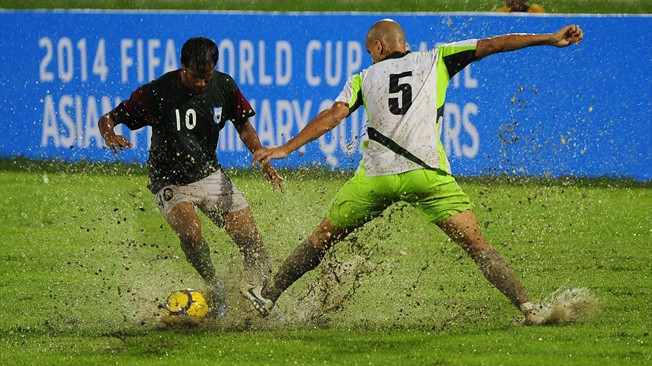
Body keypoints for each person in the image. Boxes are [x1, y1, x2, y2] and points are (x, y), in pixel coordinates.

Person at [252, 20, 583, 324]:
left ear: (379, 48)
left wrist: (286, 148)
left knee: (319, 239)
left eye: (370, 52)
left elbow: (336, 115)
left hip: (375, 180)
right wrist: (548, 38)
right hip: (426, 175)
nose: (370, 59)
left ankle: (268, 297)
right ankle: (528, 307)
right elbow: (495, 43)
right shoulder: (437, 58)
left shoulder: (363, 79)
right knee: (478, 246)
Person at [99, 36, 284, 317]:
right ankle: (215, 285)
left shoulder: (223, 85)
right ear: (182, 66)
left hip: (209, 173)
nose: (201, 84)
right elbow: (109, 117)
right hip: (169, 179)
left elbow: (242, 124)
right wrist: (110, 134)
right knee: (190, 232)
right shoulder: (158, 92)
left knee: (251, 239)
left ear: (214, 69)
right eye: (195, 77)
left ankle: (256, 293)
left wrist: (261, 156)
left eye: (206, 77)